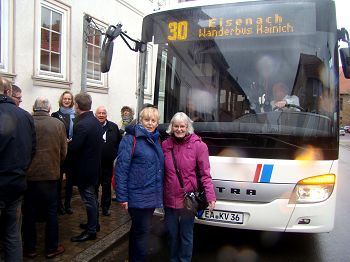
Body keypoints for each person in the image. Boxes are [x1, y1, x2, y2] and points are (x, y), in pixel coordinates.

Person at [162, 112, 216, 262]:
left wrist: (210, 196)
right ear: (171, 127)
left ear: (187, 127)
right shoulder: (165, 145)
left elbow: (205, 174)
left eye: (182, 126)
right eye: (176, 126)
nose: (179, 129)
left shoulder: (199, 146)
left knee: (186, 235)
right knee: (172, 235)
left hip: (187, 200)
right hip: (169, 198)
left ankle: (184, 260)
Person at [115, 106, 164, 262]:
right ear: (141, 120)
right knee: (142, 232)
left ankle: (133, 258)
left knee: (139, 230)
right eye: (146, 120)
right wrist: (122, 197)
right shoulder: (131, 139)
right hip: (136, 195)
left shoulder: (156, 139)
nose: (150, 123)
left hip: (150, 195)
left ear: (157, 123)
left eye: (153, 120)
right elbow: (121, 169)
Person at [22, 97, 67, 259]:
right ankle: (51, 248)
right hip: (50, 176)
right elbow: (63, 152)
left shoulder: (26, 122)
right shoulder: (58, 124)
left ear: (34, 108)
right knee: (51, 213)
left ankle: (29, 248)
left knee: (29, 213)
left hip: (29, 176)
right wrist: (55, 164)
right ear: (49, 109)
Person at [0, 76, 36, 262]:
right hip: (16, 184)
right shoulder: (25, 116)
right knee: (13, 234)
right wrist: (21, 170)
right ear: (8, 92)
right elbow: (32, 149)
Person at [70, 93, 104, 242]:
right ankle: (94, 223)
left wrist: (69, 143)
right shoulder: (95, 121)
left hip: (85, 168)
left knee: (89, 199)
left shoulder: (83, 123)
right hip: (94, 166)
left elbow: (75, 148)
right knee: (92, 198)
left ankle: (91, 231)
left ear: (77, 105)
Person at [94, 106, 122, 216]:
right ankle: (94, 207)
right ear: (96, 115)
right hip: (94, 163)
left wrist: (115, 153)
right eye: (99, 113)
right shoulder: (92, 126)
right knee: (94, 186)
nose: (101, 115)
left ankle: (105, 207)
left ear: (106, 115)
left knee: (106, 187)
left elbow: (120, 142)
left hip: (108, 163)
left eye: (103, 113)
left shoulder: (113, 127)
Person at [51, 90, 75, 215]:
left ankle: (68, 204)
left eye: (69, 99)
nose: (67, 101)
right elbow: (52, 132)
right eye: (65, 99)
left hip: (71, 152)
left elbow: (79, 132)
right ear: (61, 100)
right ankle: (58, 205)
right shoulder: (55, 115)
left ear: (72, 101)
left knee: (70, 181)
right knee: (58, 180)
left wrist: (73, 139)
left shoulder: (75, 116)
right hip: (59, 152)